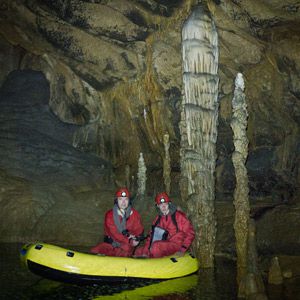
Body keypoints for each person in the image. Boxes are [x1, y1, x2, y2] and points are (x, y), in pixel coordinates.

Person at [135, 192, 195, 258]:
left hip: (176, 245)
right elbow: (151, 237)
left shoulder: (178, 216)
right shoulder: (158, 219)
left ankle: (155, 264)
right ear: (158, 206)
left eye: (165, 204)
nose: (163, 206)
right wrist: (145, 251)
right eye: (161, 204)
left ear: (169, 203)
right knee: (139, 251)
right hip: (164, 244)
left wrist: (182, 249)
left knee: (156, 247)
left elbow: (190, 233)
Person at [90, 187, 144, 257]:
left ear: (129, 201)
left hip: (126, 246)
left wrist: (136, 238)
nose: (123, 202)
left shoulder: (134, 214)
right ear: (116, 201)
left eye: (126, 199)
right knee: (94, 251)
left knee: (125, 250)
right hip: (111, 245)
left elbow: (138, 229)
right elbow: (114, 233)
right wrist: (129, 240)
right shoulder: (109, 215)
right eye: (120, 199)